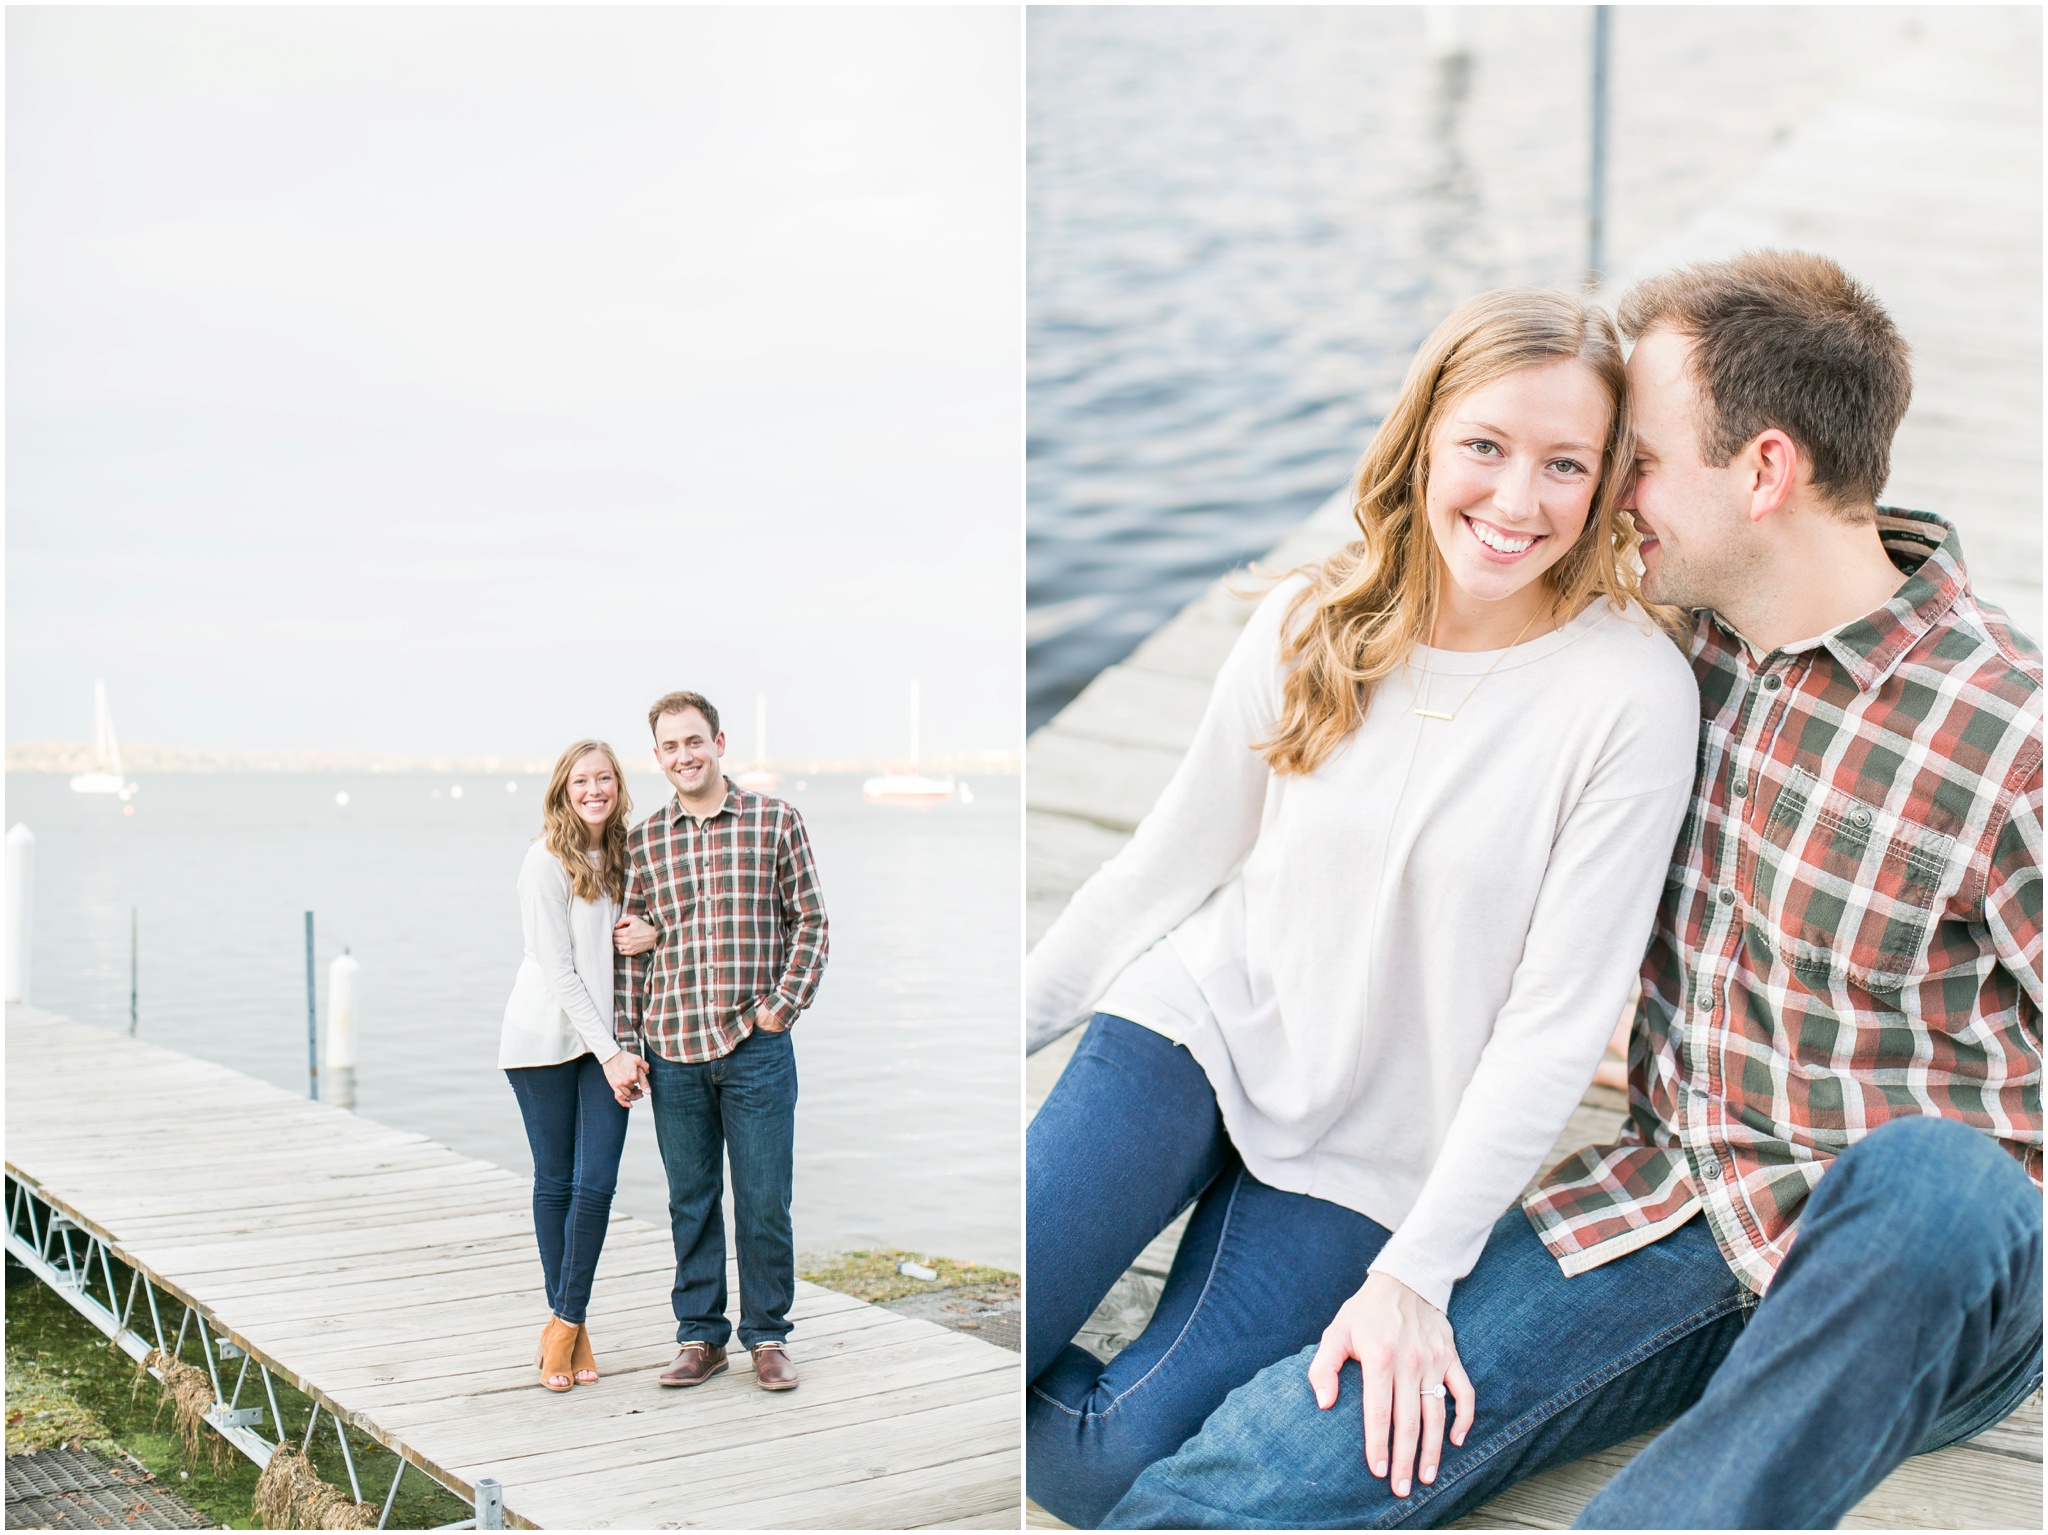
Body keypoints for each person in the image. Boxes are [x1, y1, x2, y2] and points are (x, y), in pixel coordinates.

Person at [1106, 251, 2043, 1530]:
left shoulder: (2005, 731)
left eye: (1635, 461)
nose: (1608, 496)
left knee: (1940, 1178)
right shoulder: (1652, 650)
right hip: (1669, 1204)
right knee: (1238, 1477)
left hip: (1911, 1277)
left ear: (1762, 471)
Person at [1024, 287, 1701, 1526]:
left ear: (1607, 484)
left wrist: (1416, 1272)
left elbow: (1554, 1025)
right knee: (1002, 1326)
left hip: (1376, 1141)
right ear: (1426, 436)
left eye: (1565, 464)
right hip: (1197, 1028)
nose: (1514, 501)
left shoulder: (1630, 695)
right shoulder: (1314, 618)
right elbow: (1161, 869)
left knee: (1104, 1465)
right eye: (1486, 448)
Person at [616, 690, 829, 1393]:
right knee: (691, 1199)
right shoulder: (644, 840)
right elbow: (631, 951)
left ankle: (768, 1335)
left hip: (756, 1045)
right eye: (670, 745)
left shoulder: (775, 820)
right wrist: (626, 1042)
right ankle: (699, 1336)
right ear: (658, 756)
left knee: (765, 1197)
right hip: (673, 1048)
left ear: (719, 742)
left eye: (694, 740)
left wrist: (781, 1008)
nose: (684, 754)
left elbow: (812, 924)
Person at [500, 738, 658, 1393]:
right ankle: (571, 1325)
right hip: (542, 1040)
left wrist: (650, 933)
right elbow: (561, 970)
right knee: (557, 1181)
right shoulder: (544, 860)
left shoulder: (628, 855)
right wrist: (614, 1049)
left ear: (618, 787)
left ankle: (564, 1321)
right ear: (564, 789)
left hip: (609, 1043)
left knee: (596, 1185)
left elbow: (636, 942)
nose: (595, 790)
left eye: (605, 779)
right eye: (582, 780)